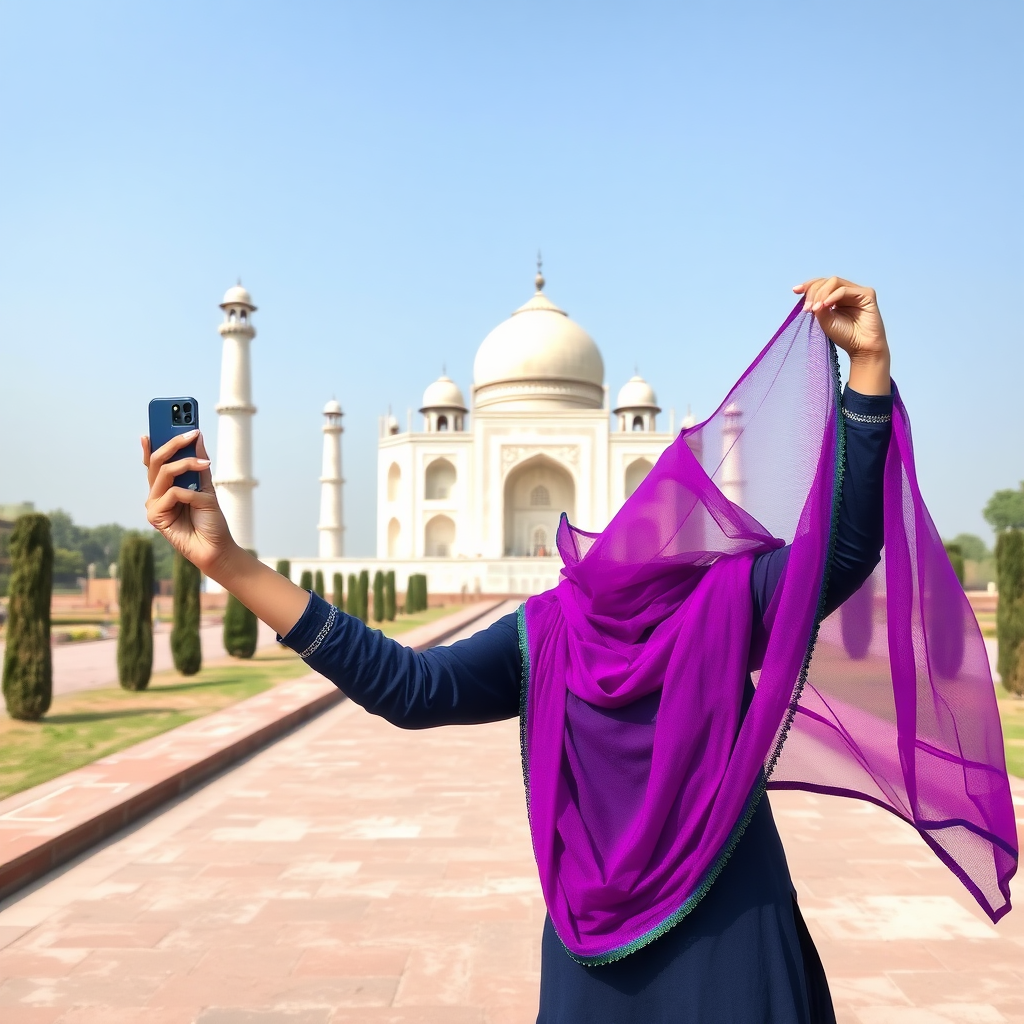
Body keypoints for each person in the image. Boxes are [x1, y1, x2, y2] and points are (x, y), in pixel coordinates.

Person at [144, 278, 891, 1023]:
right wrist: (866, 373)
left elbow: (410, 688)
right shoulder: (727, 599)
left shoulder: (570, 626)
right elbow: (847, 547)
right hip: (732, 930)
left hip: (615, 946)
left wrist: (232, 567)